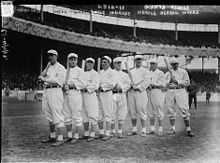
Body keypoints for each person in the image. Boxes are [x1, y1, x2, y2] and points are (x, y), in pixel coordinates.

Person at [39, 49, 66, 146]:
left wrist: (45, 79)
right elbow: (41, 76)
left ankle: (60, 138)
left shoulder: (61, 67)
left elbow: (59, 81)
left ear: (56, 56)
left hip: (56, 91)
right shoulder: (48, 67)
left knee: (57, 114)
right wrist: (43, 76)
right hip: (47, 91)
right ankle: (52, 136)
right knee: (49, 115)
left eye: (52, 55)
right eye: (48, 55)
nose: (50, 57)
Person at [164, 57, 194, 137]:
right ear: (171, 65)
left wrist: (178, 81)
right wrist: (169, 82)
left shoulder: (183, 72)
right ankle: (173, 129)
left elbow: (187, 82)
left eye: (176, 64)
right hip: (170, 91)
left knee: (184, 109)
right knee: (170, 110)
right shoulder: (167, 74)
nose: (175, 65)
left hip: (180, 90)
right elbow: (163, 84)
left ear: (178, 64)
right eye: (173, 64)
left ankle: (188, 129)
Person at [62, 53, 85, 144]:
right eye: (71, 59)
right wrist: (63, 87)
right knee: (67, 116)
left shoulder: (80, 71)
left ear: (77, 60)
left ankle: (76, 136)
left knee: (76, 115)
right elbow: (62, 82)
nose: (73, 61)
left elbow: (83, 84)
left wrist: (73, 84)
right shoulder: (64, 71)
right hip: (66, 93)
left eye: (74, 59)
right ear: (68, 61)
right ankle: (69, 135)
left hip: (75, 93)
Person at [127, 55, 150, 138]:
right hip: (131, 92)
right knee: (132, 110)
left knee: (142, 109)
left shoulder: (145, 70)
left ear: (142, 60)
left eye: (140, 59)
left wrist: (139, 87)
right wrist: (130, 85)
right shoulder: (131, 71)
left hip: (141, 92)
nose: (138, 61)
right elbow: (127, 81)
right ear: (135, 61)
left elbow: (147, 82)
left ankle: (143, 130)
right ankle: (134, 130)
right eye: (137, 60)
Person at [110, 57, 131, 138]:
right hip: (113, 94)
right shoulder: (111, 73)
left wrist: (121, 88)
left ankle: (120, 131)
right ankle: (112, 131)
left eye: (120, 63)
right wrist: (114, 86)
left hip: (121, 94)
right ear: (114, 64)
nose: (119, 64)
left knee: (122, 112)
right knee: (112, 112)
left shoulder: (125, 74)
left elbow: (128, 84)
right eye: (117, 63)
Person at [81, 58, 100, 142]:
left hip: (90, 94)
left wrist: (86, 86)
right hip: (82, 94)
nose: (89, 64)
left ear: (93, 64)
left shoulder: (95, 74)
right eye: (88, 63)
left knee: (92, 114)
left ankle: (93, 134)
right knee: (84, 115)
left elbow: (95, 86)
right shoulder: (83, 73)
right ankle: (86, 133)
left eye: (91, 63)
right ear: (86, 64)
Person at [98, 56, 116, 141]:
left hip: (107, 93)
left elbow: (112, 84)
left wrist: (101, 86)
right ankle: (101, 132)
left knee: (108, 113)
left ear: (109, 63)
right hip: (99, 94)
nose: (103, 63)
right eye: (102, 62)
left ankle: (108, 133)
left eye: (105, 62)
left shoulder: (112, 72)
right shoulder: (100, 72)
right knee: (99, 114)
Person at [147, 58, 165, 136]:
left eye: (154, 64)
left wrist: (152, 83)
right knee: (150, 110)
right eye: (151, 64)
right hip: (149, 92)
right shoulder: (148, 73)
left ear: (157, 65)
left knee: (159, 109)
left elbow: (162, 84)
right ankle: (152, 129)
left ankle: (160, 129)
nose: (152, 65)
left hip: (157, 91)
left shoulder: (160, 73)